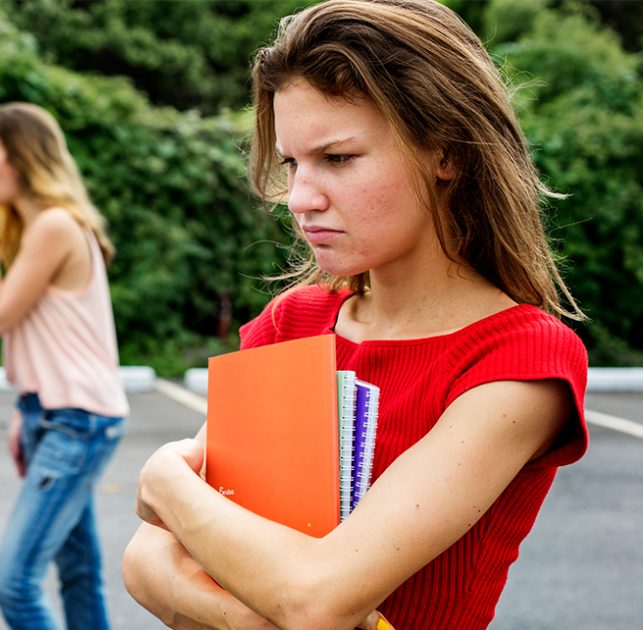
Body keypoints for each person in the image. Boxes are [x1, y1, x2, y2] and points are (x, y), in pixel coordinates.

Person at [121, 1, 590, 628]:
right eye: (292, 163)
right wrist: (258, 617)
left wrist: (162, 482)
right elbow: (146, 561)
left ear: (445, 153)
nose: (300, 199)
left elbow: (315, 596)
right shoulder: (293, 323)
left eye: (338, 159)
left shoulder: (520, 360)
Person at [0, 102, 129, 630]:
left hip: (76, 422)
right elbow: (39, 334)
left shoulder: (53, 225)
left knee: (12, 582)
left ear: (22, 159)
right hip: (54, 412)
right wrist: (24, 406)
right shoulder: (40, 226)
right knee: (77, 571)